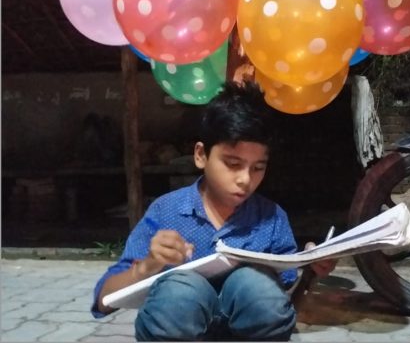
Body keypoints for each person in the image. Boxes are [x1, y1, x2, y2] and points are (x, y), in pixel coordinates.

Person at [91, 80, 337, 341]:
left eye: (258, 167)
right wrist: (147, 266)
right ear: (201, 155)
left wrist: (311, 273)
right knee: (180, 293)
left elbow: (283, 308)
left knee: (257, 287)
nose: (245, 179)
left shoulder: (272, 219)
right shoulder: (167, 212)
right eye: (233, 164)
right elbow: (105, 299)